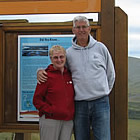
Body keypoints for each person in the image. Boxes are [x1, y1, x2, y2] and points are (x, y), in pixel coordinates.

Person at [37, 16, 115, 140]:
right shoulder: (69, 53)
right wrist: (40, 71)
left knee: (103, 137)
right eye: (78, 27)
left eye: (84, 27)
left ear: (89, 29)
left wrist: (104, 91)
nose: (81, 30)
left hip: (101, 102)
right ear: (73, 30)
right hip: (79, 104)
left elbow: (110, 74)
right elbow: (59, 69)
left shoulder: (101, 48)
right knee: (81, 137)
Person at [33, 45, 75, 140]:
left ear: (65, 57)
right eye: (55, 57)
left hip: (67, 121)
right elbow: (36, 100)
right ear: (51, 59)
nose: (59, 60)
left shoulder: (70, 74)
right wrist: (50, 111)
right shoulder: (45, 76)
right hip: (50, 120)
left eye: (61, 57)